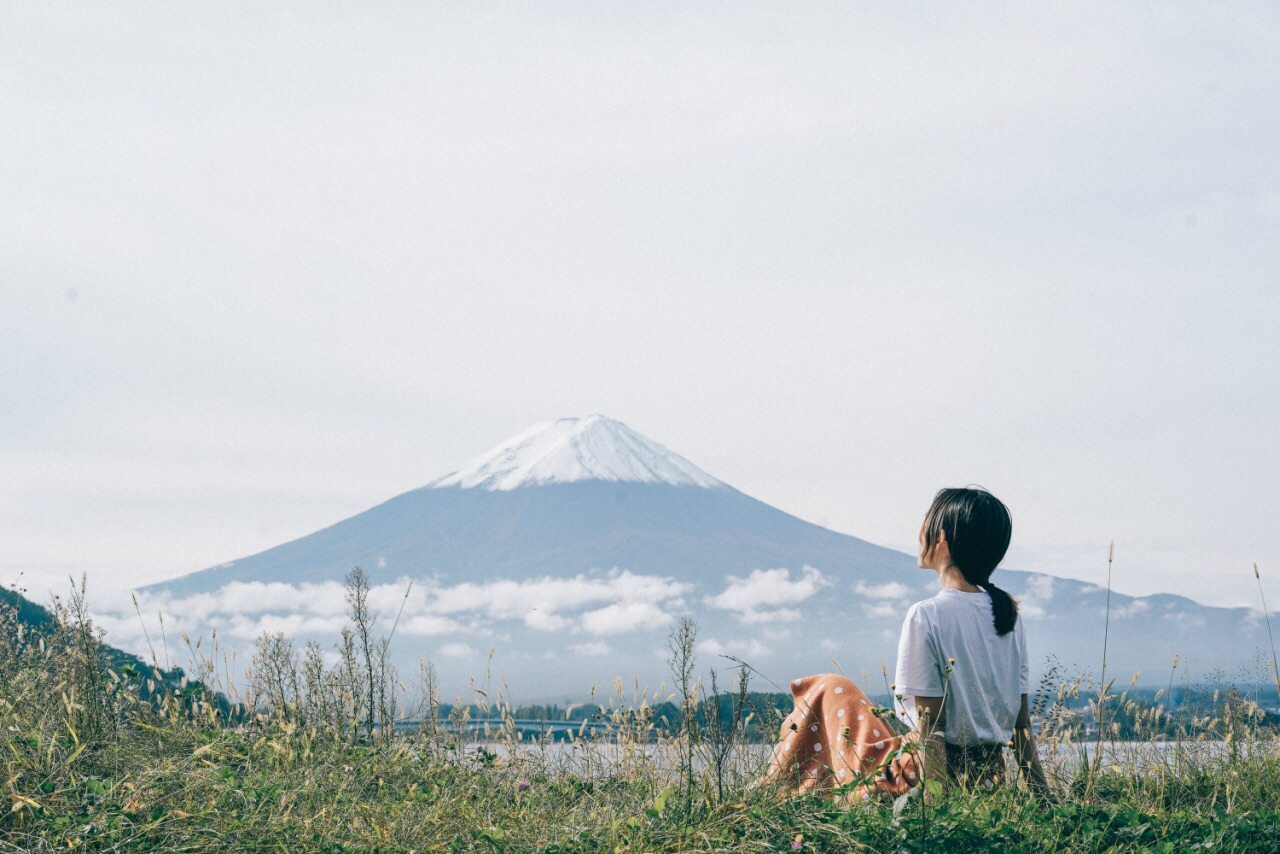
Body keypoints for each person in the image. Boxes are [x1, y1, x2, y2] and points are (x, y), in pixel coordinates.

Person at [762, 487, 1049, 801]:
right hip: (988, 780)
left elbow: (931, 731)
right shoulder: (1008, 616)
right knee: (842, 696)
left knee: (830, 688)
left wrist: (936, 809)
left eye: (925, 522)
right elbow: (1022, 727)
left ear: (941, 539)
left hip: (920, 776)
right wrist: (1046, 799)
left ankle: (773, 787)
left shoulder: (927, 615)